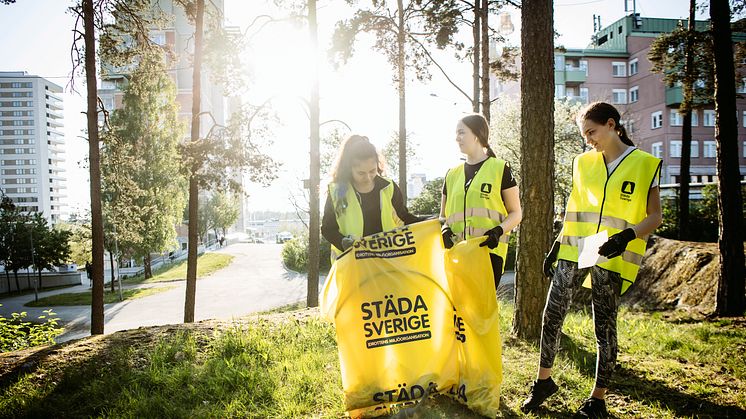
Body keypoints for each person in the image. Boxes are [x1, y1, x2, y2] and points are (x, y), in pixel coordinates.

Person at [522, 102, 662, 418]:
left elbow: (656, 216)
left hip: (614, 253)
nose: (589, 140)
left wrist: (628, 236)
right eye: (585, 134)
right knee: (552, 314)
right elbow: (574, 210)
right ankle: (543, 382)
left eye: (592, 132)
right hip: (576, 248)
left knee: (604, 325)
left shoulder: (644, 164)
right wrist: (557, 246)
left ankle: (597, 400)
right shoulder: (583, 163)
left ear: (611, 125)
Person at [440, 113, 522, 289]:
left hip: (488, 252)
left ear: (476, 135)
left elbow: (516, 213)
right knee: (456, 313)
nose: (457, 138)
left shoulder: (500, 169)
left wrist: (498, 231)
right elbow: (443, 216)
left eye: (461, 132)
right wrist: (445, 228)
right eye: (456, 133)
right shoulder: (451, 175)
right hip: (457, 253)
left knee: (482, 312)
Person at [322, 135, 421, 259]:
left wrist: (432, 221)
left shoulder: (389, 187)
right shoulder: (338, 192)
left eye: (372, 171)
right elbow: (327, 228)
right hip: (351, 265)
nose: (368, 177)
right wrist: (343, 242)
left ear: (377, 165)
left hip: (387, 262)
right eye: (361, 173)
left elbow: (404, 218)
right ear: (349, 169)